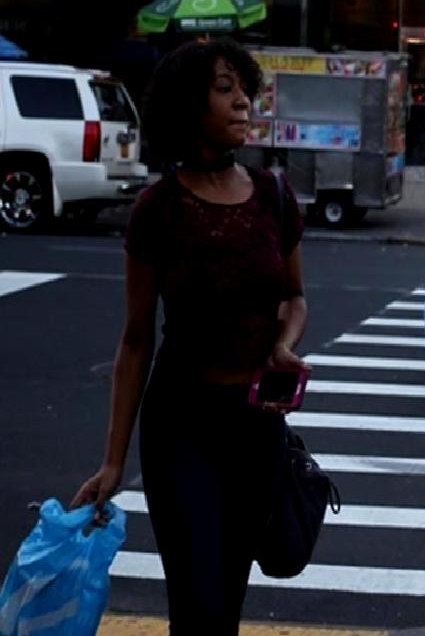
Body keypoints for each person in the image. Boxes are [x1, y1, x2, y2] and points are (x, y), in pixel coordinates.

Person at [71, 38, 308, 633]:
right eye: (224, 89)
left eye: (243, 88)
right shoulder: (159, 210)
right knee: (197, 601)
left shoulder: (273, 196)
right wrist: (112, 462)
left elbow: (295, 298)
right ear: (187, 107)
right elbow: (134, 341)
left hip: (256, 427)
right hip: (183, 428)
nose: (242, 102)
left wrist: (285, 344)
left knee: (225, 603)